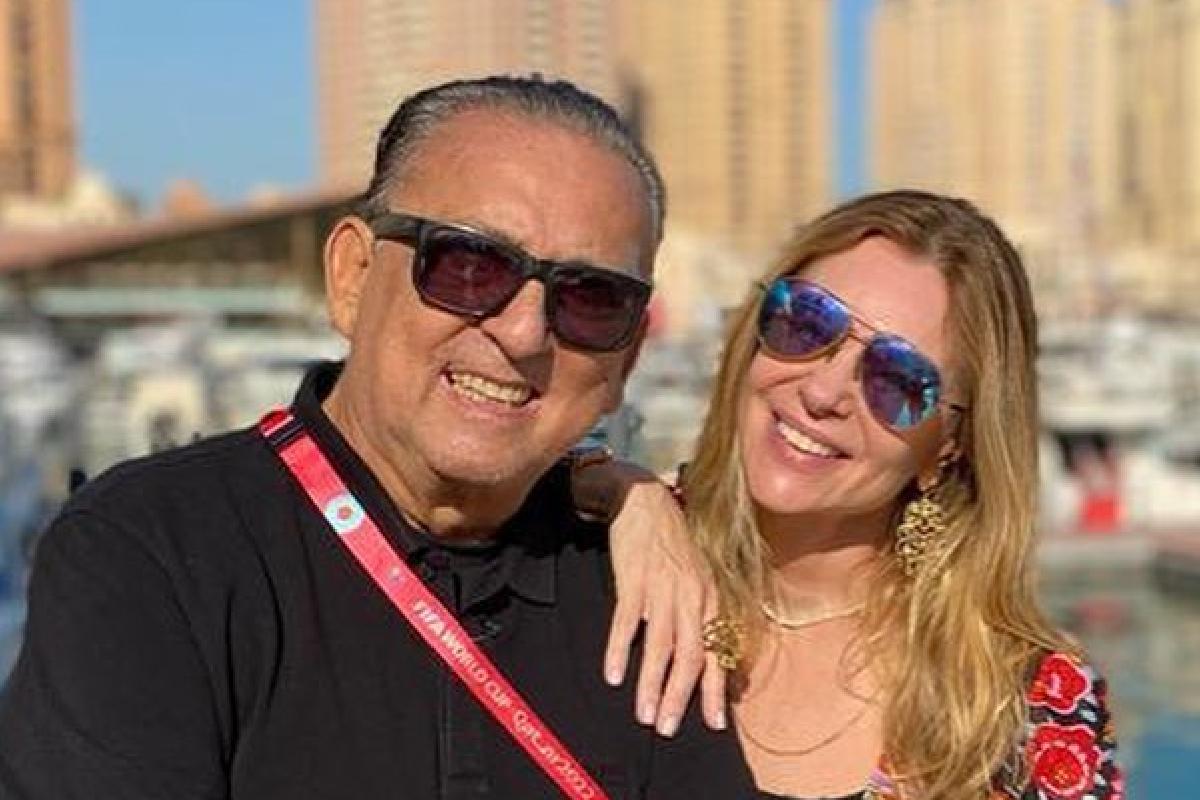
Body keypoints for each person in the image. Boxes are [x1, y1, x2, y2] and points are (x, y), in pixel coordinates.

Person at [0, 76, 752, 799]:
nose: (524, 332)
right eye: (470, 266)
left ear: (627, 359)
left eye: (591, 298)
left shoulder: (649, 593)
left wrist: (639, 496)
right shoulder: (153, 552)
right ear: (353, 276)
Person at [584, 191, 1125, 799]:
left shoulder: (1027, 707)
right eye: (806, 323)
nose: (823, 393)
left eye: (898, 379)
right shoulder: (614, 557)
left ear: (952, 443)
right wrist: (617, 487)